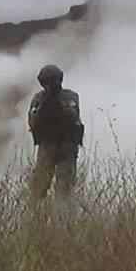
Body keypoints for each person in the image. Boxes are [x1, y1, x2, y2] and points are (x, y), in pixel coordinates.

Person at [27, 64, 84, 214]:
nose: (52, 86)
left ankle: (62, 221)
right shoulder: (38, 99)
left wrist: (59, 105)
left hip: (67, 147)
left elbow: (73, 118)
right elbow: (33, 123)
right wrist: (45, 105)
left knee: (64, 189)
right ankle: (36, 219)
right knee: (39, 187)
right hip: (47, 146)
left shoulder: (70, 96)